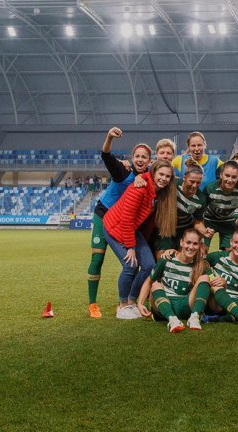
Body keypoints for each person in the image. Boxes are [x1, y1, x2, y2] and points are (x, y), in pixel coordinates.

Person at [85, 127, 152, 318]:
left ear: (149, 160)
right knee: (97, 259)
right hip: (103, 216)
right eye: (137, 156)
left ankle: (128, 302)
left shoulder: (149, 175)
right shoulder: (123, 171)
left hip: (123, 221)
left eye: (144, 157)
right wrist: (109, 137)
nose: (140, 159)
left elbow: (167, 169)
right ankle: (92, 304)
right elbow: (106, 155)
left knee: (133, 262)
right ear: (132, 157)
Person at [102, 160, 177, 320]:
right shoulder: (140, 187)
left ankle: (131, 302)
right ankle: (122, 305)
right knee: (130, 265)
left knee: (149, 266)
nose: (164, 178)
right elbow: (126, 219)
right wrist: (131, 247)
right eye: (161, 174)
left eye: (167, 176)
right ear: (154, 173)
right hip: (115, 226)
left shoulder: (160, 192)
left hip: (131, 229)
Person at [136, 228, 211, 332]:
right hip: (163, 305)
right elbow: (149, 281)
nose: (191, 247)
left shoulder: (201, 264)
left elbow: (213, 281)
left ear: (199, 246)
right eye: (188, 242)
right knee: (155, 284)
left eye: (195, 244)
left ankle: (194, 317)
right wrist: (140, 303)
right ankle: (172, 320)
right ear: (181, 242)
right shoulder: (166, 259)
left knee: (205, 278)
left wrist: (223, 283)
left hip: (185, 306)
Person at [154, 159, 208, 258]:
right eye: (192, 181)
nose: (194, 185)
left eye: (198, 183)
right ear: (184, 178)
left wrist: (204, 233)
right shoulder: (172, 184)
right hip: (166, 227)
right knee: (163, 256)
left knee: (183, 258)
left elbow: (198, 221)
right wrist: (139, 177)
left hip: (183, 229)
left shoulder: (201, 199)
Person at [203, 161, 238, 250]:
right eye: (227, 175)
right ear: (221, 175)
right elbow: (201, 209)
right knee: (202, 250)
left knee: (229, 252)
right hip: (210, 220)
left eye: (234, 177)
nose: (230, 180)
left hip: (229, 222)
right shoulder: (210, 188)